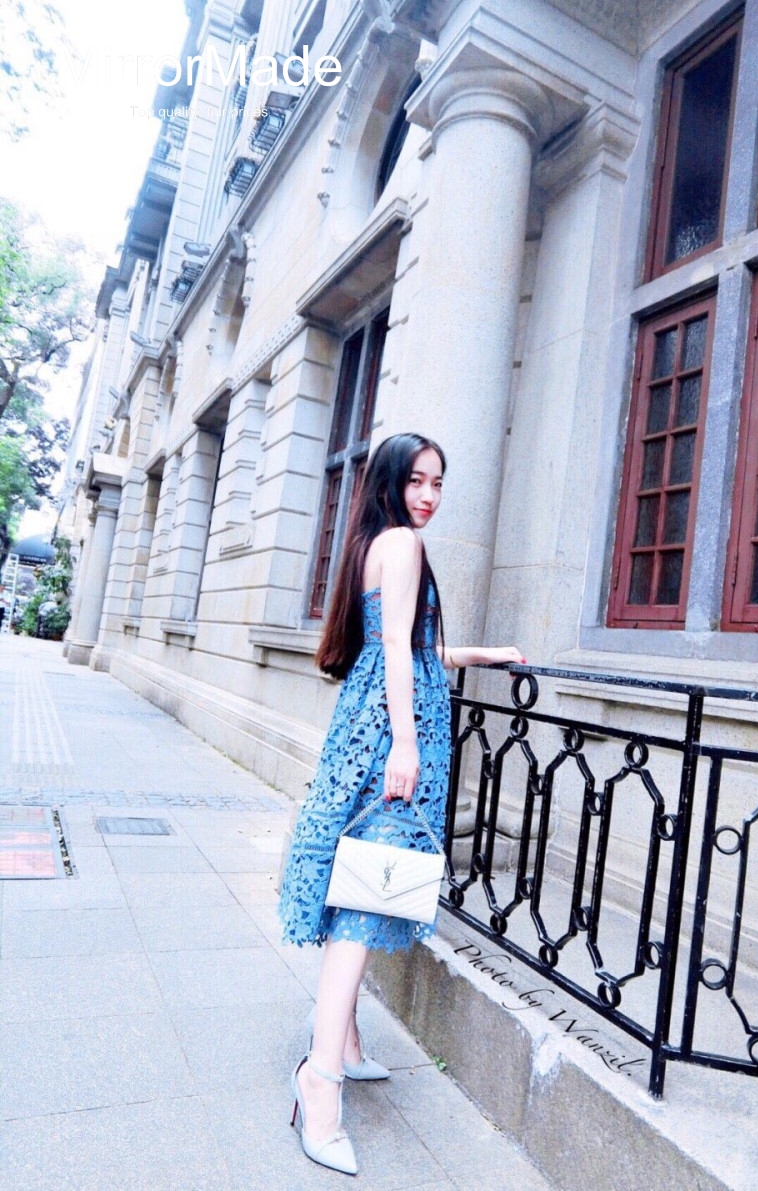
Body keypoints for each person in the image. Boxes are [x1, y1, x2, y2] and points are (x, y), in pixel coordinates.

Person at [278, 432, 526, 1176]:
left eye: (438, 483)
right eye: (417, 480)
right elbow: (394, 650)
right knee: (363, 898)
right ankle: (318, 1081)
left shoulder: (370, 543)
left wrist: (478, 654)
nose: (429, 495)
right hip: (388, 734)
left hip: (364, 725)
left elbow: (408, 646)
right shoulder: (404, 544)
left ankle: (345, 1039)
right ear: (391, 481)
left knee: (354, 882)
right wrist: (407, 742)